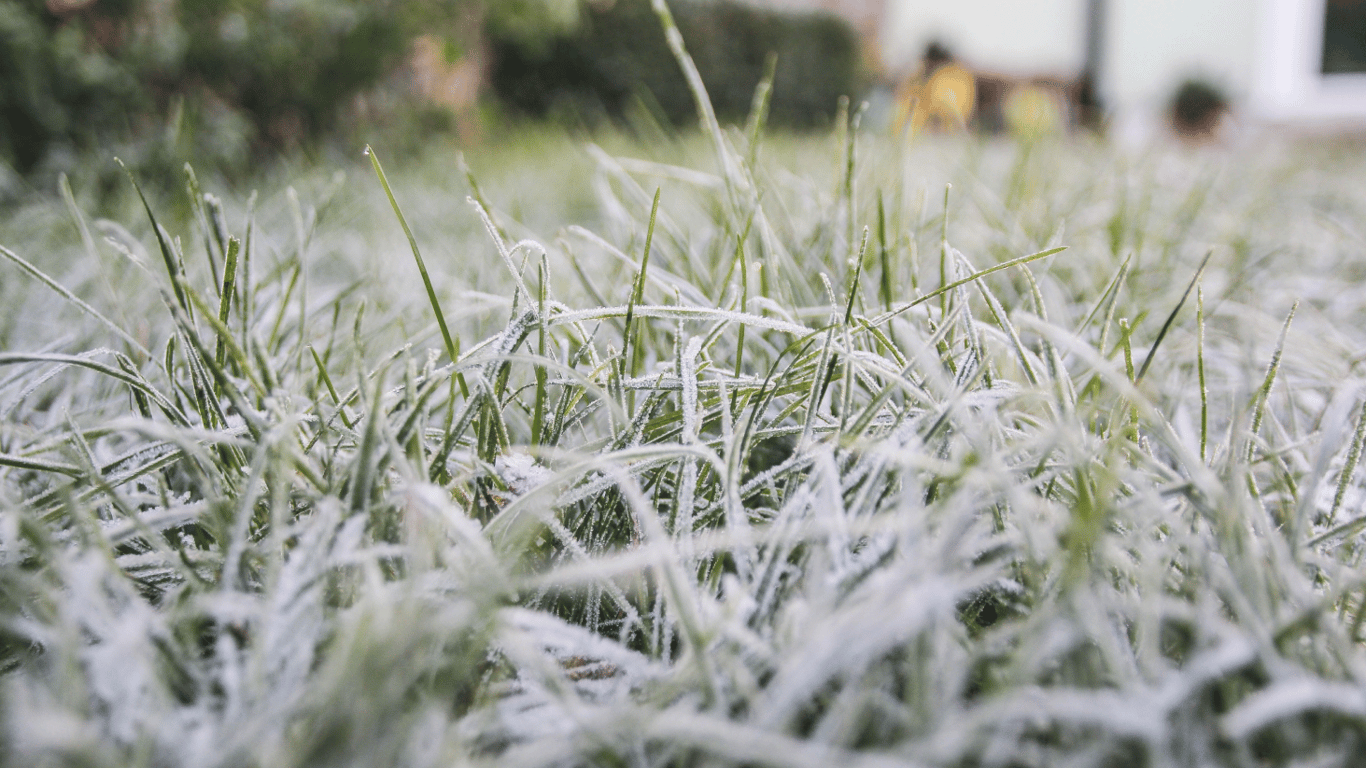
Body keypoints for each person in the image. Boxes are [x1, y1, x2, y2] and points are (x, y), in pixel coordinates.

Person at [894, 41, 976, 136]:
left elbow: (942, 111)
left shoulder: (951, 77)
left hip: (940, 133)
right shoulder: (920, 76)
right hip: (925, 131)